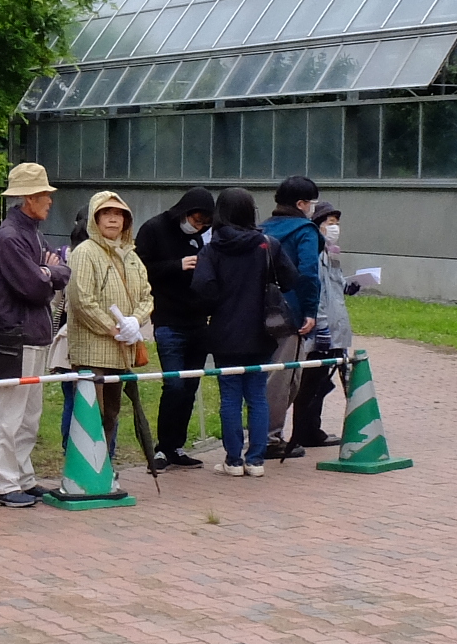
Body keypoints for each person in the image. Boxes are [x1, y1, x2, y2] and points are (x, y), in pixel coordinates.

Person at [0, 162, 70, 506]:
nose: (50, 200)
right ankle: (2, 484)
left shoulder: (29, 231)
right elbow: (34, 286)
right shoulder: (11, 236)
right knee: (10, 414)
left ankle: (22, 476)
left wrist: (47, 271)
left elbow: (59, 268)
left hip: (33, 334)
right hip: (17, 335)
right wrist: (48, 271)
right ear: (30, 197)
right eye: (45, 194)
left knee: (29, 414)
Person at [192, 187, 292, 476]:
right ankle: (256, 460)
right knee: (257, 395)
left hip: (224, 332)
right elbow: (289, 279)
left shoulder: (212, 249)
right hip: (262, 331)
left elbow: (203, 288)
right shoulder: (267, 244)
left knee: (230, 397)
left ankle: (233, 460)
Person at [64, 188, 153, 466]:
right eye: (106, 214)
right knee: (91, 416)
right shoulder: (84, 252)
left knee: (112, 415)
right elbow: (81, 300)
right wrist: (112, 328)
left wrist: (135, 321)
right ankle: (83, 472)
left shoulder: (132, 256)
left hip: (121, 352)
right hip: (92, 352)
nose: (113, 219)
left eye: (119, 214)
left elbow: (147, 296)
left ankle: (104, 469)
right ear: (95, 218)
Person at [133, 188, 216, 469]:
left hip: (198, 321)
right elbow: (141, 270)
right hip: (168, 320)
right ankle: (161, 449)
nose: (198, 226)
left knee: (190, 386)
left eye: (204, 224)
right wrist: (176, 265)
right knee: (174, 385)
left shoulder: (201, 238)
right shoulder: (154, 229)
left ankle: (176, 446)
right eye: (196, 220)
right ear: (185, 211)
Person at [258, 177, 324, 459]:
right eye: (312, 203)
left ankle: (260, 431)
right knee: (284, 377)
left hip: (260, 310)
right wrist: (310, 310)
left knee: (263, 373)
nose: (313, 208)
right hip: (291, 314)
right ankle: (269, 438)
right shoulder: (305, 230)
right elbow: (308, 272)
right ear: (301, 204)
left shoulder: (262, 228)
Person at [286, 201, 358, 450]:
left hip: (336, 330)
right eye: (330, 223)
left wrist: (350, 285)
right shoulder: (313, 254)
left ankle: (311, 429)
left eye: (337, 223)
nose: (335, 227)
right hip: (320, 331)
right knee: (311, 383)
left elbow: (334, 285)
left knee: (322, 384)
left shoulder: (331, 253)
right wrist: (323, 325)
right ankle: (304, 431)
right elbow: (314, 292)